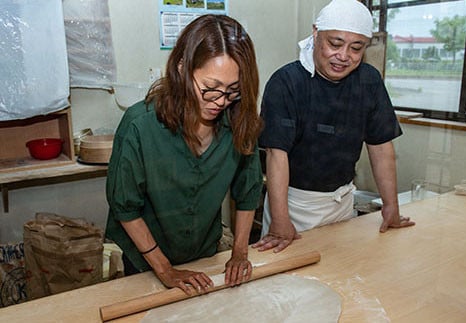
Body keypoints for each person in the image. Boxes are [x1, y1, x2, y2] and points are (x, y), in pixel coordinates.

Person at [105, 14, 264, 295]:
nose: (220, 102)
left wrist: (240, 252)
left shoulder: (239, 121)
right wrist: (165, 270)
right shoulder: (140, 125)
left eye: (232, 91)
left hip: (204, 252)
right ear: (182, 68)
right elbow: (125, 208)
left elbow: (248, 192)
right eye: (210, 88)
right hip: (144, 260)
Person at [253, 0, 415, 253]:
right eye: (335, 44)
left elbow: (381, 147)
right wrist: (280, 220)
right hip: (294, 206)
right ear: (316, 33)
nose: (343, 56)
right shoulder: (287, 82)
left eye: (356, 48)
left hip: (342, 203)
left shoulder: (369, 81)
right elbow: (276, 154)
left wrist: (390, 206)